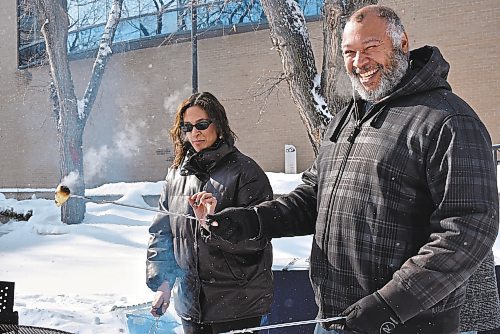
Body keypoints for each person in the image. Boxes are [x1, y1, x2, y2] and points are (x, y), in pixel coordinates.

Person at [207, 5, 499, 334]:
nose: (359, 63)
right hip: (334, 319)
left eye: (370, 47)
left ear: (402, 44)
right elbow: (313, 198)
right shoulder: (348, 118)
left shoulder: (448, 120)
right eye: (349, 52)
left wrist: (393, 303)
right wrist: (255, 220)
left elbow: (469, 230)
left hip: (407, 323)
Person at [146, 92, 274, 334]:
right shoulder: (176, 175)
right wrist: (163, 282)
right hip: (191, 305)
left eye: (202, 125)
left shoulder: (246, 172)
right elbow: (162, 233)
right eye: (188, 127)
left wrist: (213, 224)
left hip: (238, 305)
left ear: (219, 125)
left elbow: (258, 239)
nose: (195, 133)